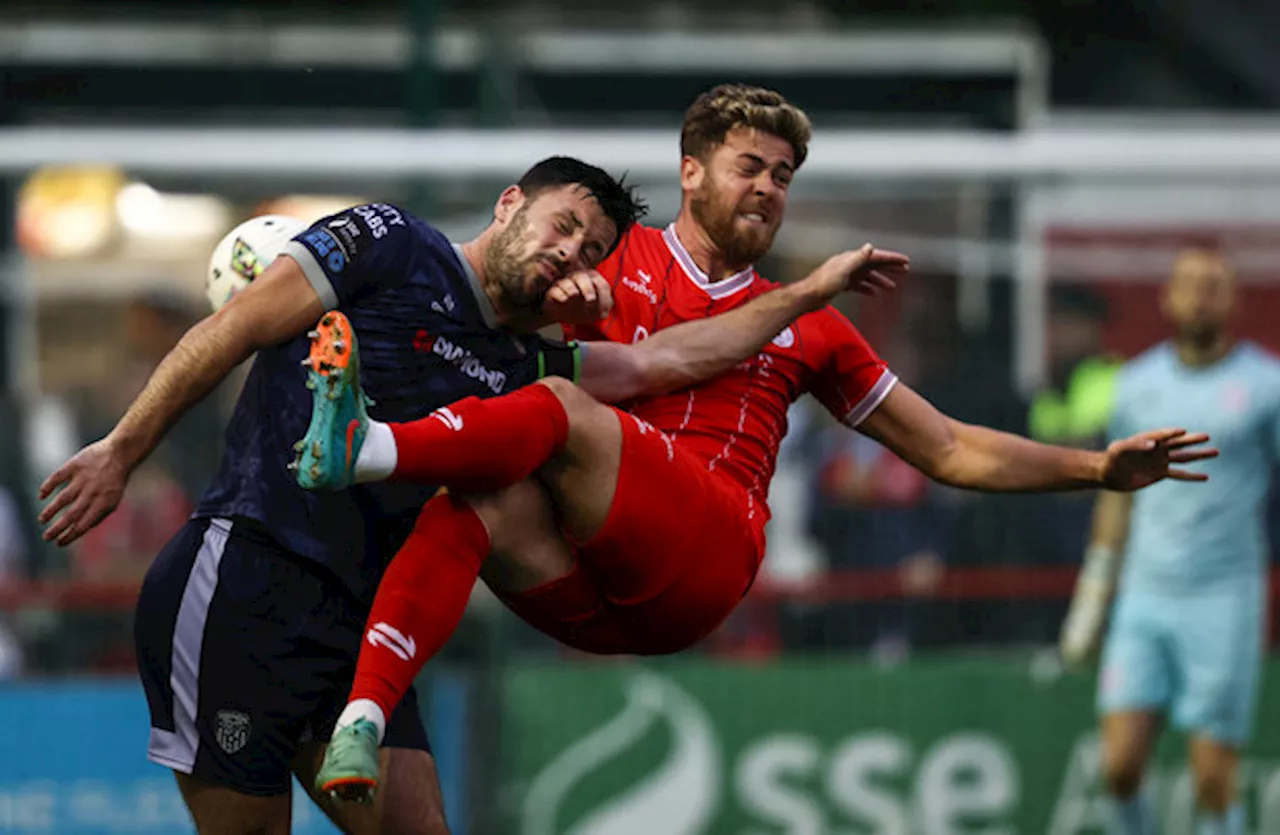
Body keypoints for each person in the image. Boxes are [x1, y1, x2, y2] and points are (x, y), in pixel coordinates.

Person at [300, 84, 1218, 801]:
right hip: (586, 588)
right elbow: (482, 317)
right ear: (691, 171)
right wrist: (542, 310)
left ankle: (369, 447)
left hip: (703, 563)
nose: (770, 188)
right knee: (480, 499)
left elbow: (949, 449)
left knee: (562, 410)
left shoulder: (811, 325)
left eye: (784, 174)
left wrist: (1095, 467)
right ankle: (365, 716)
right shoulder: (602, 266)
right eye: (752, 165)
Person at [36, 154, 902, 835]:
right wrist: (121, 448)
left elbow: (666, 360)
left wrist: (807, 293)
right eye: (563, 225)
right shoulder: (389, 242)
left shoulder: (532, 365)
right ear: (508, 205)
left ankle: (365, 451)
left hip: (360, 621)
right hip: (245, 579)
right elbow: (230, 329)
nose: (570, 251)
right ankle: (359, 447)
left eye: (591, 249)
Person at [1060, 248, 1280, 835]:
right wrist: (1094, 593)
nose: (1201, 296)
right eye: (1190, 285)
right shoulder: (1135, 386)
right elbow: (1116, 493)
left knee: (1212, 778)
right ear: (1168, 297)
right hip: (1144, 598)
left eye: (1214, 285)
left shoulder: (1267, 387)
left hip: (1225, 598)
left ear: (1233, 297)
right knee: (1120, 768)